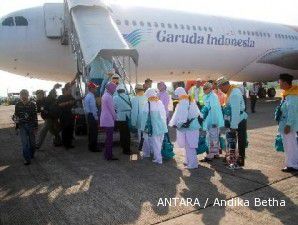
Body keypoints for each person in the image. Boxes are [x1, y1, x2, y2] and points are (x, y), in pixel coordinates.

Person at [217, 76, 248, 167]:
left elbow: (235, 112)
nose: (221, 90)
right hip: (234, 120)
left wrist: (233, 126)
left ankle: (239, 161)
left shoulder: (234, 94)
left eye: (221, 88)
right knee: (232, 141)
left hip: (239, 120)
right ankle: (232, 159)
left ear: (225, 85)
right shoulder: (231, 92)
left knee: (240, 141)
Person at [169, 87, 201, 169]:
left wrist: (177, 125)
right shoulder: (189, 99)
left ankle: (193, 164)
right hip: (192, 126)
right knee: (189, 145)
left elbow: (182, 116)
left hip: (190, 127)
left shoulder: (183, 101)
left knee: (190, 146)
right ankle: (188, 161)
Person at [276, 73, 298, 172]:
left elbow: (292, 112)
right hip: (285, 124)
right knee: (291, 144)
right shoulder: (288, 93)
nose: (278, 83)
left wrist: (288, 125)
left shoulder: (292, 96)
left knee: (289, 145)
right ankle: (293, 163)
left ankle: (291, 165)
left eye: (279, 82)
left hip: (288, 125)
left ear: (285, 82)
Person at [140, 88, 168, 164]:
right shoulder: (159, 102)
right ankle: (157, 156)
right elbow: (164, 115)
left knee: (154, 142)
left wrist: (142, 128)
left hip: (152, 127)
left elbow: (144, 117)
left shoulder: (147, 103)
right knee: (159, 142)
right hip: (161, 126)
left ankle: (158, 159)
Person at [201, 82, 224, 162]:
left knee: (213, 136)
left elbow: (214, 110)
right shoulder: (207, 96)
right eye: (203, 89)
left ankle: (211, 154)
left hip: (213, 119)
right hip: (209, 118)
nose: (203, 90)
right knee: (213, 136)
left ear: (209, 89)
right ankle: (216, 152)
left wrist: (214, 121)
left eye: (205, 89)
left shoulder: (213, 96)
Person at [14, 89, 38, 165]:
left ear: (28, 95)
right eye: (22, 95)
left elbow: (35, 117)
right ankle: (27, 159)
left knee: (33, 144)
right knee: (25, 144)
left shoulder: (32, 104)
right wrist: (16, 126)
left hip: (31, 126)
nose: (24, 96)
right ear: (20, 96)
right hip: (22, 126)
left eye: (25, 95)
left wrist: (36, 127)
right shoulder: (18, 105)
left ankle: (31, 154)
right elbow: (16, 116)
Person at [36, 85, 62, 149]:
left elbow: (51, 94)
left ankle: (38, 144)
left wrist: (54, 88)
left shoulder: (47, 99)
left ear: (43, 94)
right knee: (53, 130)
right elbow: (39, 110)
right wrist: (42, 109)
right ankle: (58, 141)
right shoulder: (38, 102)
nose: (39, 96)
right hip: (47, 117)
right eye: (38, 95)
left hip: (51, 117)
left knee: (44, 130)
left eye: (40, 94)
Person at [100, 82, 118, 160]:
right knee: (109, 139)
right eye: (114, 89)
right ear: (111, 89)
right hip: (108, 120)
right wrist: (115, 118)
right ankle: (109, 155)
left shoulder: (105, 95)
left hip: (105, 119)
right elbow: (112, 110)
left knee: (108, 138)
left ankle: (107, 154)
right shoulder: (109, 97)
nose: (115, 90)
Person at [113, 84, 132, 155]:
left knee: (122, 133)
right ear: (124, 90)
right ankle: (127, 149)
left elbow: (114, 107)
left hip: (120, 117)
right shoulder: (129, 97)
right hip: (128, 117)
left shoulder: (115, 98)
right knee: (127, 134)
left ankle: (123, 146)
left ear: (117, 91)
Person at [57, 84, 75, 149]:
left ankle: (69, 143)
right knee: (65, 130)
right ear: (65, 90)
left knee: (70, 129)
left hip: (70, 115)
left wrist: (73, 102)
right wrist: (68, 103)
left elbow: (74, 101)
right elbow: (59, 105)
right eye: (69, 90)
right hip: (63, 116)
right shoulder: (60, 97)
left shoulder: (70, 96)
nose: (70, 91)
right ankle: (65, 144)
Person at [84, 82, 100, 152]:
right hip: (92, 115)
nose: (96, 89)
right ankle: (94, 147)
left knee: (91, 132)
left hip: (89, 115)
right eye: (95, 88)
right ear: (91, 88)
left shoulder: (87, 96)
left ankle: (91, 146)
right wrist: (96, 117)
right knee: (94, 132)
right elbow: (93, 108)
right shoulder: (91, 96)